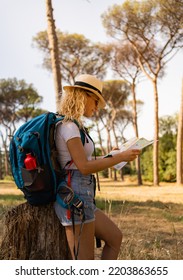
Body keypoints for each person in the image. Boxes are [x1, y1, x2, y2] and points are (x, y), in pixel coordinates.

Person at [54, 74, 140, 260]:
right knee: (85, 264)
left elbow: (82, 161)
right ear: (83, 96)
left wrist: (113, 155)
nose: (96, 108)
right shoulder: (68, 126)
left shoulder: (75, 126)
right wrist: (120, 158)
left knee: (115, 237)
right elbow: (84, 167)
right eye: (95, 101)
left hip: (82, 193)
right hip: (74, 194)